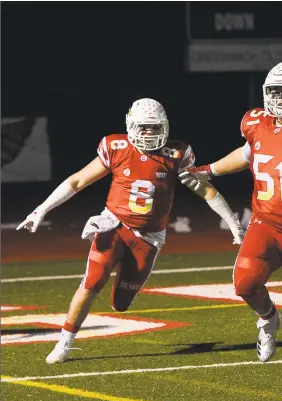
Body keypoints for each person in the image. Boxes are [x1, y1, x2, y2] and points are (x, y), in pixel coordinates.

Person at [16, 98, 244, 364]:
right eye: (143, 127)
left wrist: (233, 224)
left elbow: (204, 190)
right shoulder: (116, 146)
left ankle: (118, 291)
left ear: (165, 127)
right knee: (91, 283)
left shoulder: (176, 154)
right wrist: (41, 209)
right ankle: (65, 342)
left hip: (148, 237)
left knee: (121, 303)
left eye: (154, 127)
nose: (149, 133)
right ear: (131, 126)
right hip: (113, 225)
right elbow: (77, 180)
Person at [179, 61, 282, 388]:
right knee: (244, 283)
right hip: (265, 226)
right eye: (275, 92)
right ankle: (269, 319)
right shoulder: (256, 122)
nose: (281, 99)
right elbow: (247, 154)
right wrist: (209, 170)